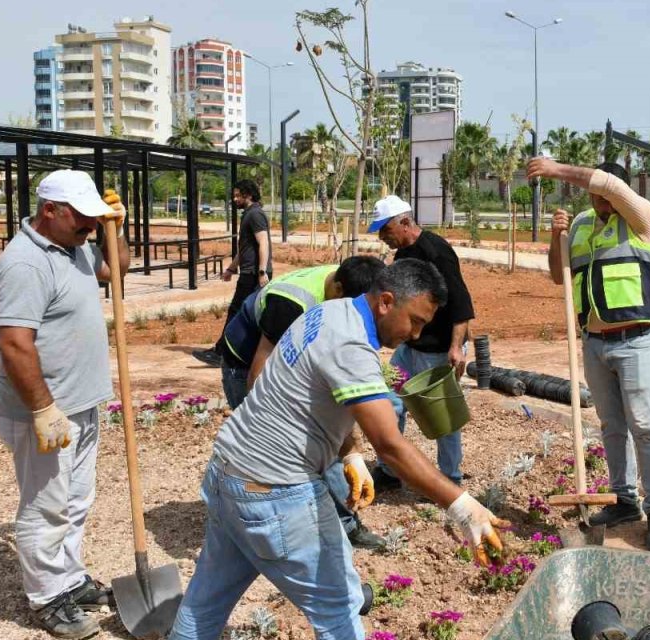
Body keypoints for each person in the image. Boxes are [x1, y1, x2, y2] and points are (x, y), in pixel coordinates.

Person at [169, 260, 507, 640]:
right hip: (275, 492)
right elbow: (390, 446)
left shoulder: (329, 312)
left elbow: (310, 395)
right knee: (339, 609)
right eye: (415, 321)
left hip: (229, 472)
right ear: (385, 301)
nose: (415, 334)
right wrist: (461, 505)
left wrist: (348, 453)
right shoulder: (351, 344)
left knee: (205, 603)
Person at [0, 170, 127, 639]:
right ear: (50, 210)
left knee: (74, 500)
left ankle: (68, 579)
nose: (90, 230)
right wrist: (44, 409)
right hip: (43, 410)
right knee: (47, 506)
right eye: (84, 222)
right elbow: (14, 343)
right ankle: (48, 597)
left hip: (80, 402)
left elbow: (118, 270)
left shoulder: (76, 249)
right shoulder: (26, 264)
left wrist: (116, 230)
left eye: (95, 224)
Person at [528, 156, 650, 553]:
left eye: (606, 195)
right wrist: (554, 240)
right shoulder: (581, 225)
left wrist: (556, 169)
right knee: (612, 426)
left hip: (637, 340)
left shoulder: (642, 219)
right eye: (595, 197)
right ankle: (624, 500)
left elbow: (611, 187)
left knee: (645, 426)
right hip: (594, 343)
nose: (600, 203)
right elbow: (561, 276)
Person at [216, 256, 388, 550]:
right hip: (245, 363)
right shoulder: (292, 304)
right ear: (337, 286)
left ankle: (343, 525)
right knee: (267, 450)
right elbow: (258, 379)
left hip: (291, 362)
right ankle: (256, 523)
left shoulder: (344, 288)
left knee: (325, 440)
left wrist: (350, 452)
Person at [366, 195, 474, 489]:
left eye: (385, 230)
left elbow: (461, 302)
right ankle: (390, 471)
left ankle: (450, 478)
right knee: (390, 403)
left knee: (441, 418)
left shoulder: (437, 252)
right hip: (409, 348)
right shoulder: (402, 257)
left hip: (437, 350)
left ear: (403, 222)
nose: (382, 237)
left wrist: (456, 346)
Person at [193, 179, 271, 367]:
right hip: (248, 272)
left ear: (248, 195)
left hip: (253, 274)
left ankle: (222, 353)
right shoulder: (249, 214)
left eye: (238, 195)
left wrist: (261, 272)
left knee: (237, 312)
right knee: (247, 314)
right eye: (234, 195)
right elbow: (245, 249)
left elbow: (264, 243)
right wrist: (231, 268)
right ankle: (241, 353)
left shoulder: (255, 215)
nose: (234, 199)